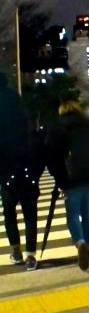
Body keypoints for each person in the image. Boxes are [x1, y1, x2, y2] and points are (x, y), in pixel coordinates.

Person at [47, 101, 89, 271]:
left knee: (73, 215)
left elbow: (52, 158)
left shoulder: (58, 129)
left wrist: (60, 179)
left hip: (71, 180)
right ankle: (88, 245)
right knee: (88, 213)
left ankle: (80, 242)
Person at [0, 73, 41, 270]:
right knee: (30, 213)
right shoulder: (18, 105)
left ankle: (15, 249)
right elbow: (34, 142)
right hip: (26, 170)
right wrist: (35, 172)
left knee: (9, 212)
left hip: (6, 172)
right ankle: (31, 255)